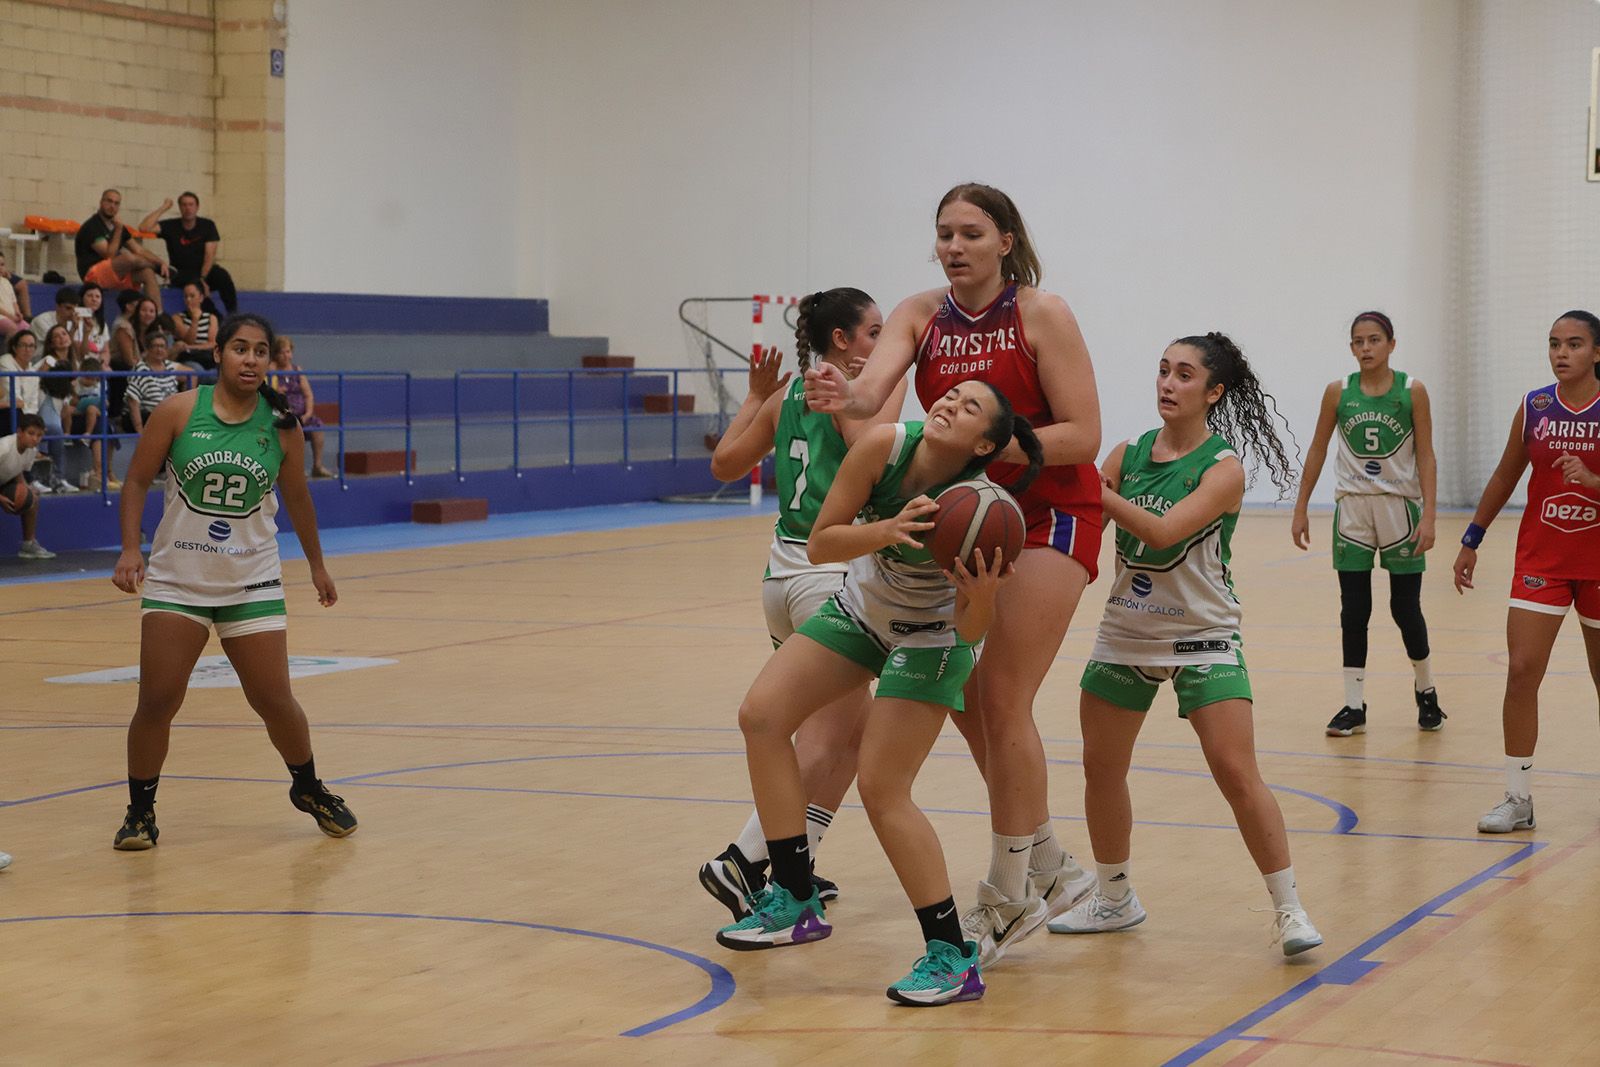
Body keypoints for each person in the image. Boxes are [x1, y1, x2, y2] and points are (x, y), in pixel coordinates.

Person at [805, 182, 1100, 964]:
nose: (954, 245)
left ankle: (1008, 898)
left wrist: (979, 449)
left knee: (1001, 694)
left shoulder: (1043, 313)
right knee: (973, 697)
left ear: (1006, 240)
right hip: (965, 512)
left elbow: (1083, 433)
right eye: (944, 232)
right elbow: (872, 395)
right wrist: (844, 393)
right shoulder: (919, 312)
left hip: (1046, 513)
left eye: (971, 232)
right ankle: (1046, 859)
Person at [718, 378, 1041, 1006]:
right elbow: (821, 543)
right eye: (951, 395)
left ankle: (953, 956)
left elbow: (974, 628)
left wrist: (982, 598)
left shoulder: (988, 514)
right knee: (761, 716)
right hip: (864, 609)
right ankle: (794, 896)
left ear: (984, 443)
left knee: (882, 788)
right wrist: (888, 529)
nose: (949, 403)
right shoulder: (883, 448)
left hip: (935, 639)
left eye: (970, 405)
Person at [1050, 332, 1322, 957]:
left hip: (1202, 633)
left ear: (1214, 391)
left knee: (1234, 769)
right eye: (1163, 371)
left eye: (1184, 375)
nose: (1168, 384)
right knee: (1101, 768)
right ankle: (1114, 897)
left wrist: (1094, 488)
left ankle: (1289, 909)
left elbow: (1167, 534)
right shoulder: (1128, 452)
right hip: (1126, 630)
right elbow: (1087, 519)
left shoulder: (1223, 469)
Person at [109, 313, 355, 849]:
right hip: (179, 580)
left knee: (274, 699)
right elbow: (133, 481)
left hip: (252, 581)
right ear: (219, 353)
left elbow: (297, 499)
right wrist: (131, 548)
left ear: (270, 361)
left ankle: (308, 787)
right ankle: (140, 812)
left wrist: (316, 565)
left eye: (260, 351)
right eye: (240, 348)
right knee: (158, 699)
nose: (250, 359)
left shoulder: (281, 424)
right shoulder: (178, 410)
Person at [699, 289, 900, 917]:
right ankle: (742, 861)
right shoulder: (843, 395)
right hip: (830, 577)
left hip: (780, 580)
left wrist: (757, 397)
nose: (883, 342)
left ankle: (799, 863)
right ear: (840, 341)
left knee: (845, 733)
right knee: (826, 741)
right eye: (874, 332)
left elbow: (725, 464)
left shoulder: (789, 395)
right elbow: (881, 461)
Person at [1453, 310, 1600, 834]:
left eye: (1575, 344)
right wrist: (1472, 537)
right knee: (1521, 671)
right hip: (1542, 559)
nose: (1562, 353)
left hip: (1598, 562)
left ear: (1597, 353)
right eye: (1555, 343)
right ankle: (1518, 798)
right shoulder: (1535, 405)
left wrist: (1593, 480)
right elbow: (1504, 473)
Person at [1292, 311, 1444, 735]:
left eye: (1374, 340)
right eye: (1358, 341)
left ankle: (1426, 691)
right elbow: (1318, 449)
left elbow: (1427, 455)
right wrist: (1301, 506)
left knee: (1405, 609)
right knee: (1354, 610)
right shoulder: (1338, 392)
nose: (1365, 348)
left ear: (1391, 344)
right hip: (1353, 510)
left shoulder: (1412, 391)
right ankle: (1353, 705)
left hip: (1399, 508)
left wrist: (1429, 515)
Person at [0, 331, 70, 493]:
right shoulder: (6, 363)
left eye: (31, 346)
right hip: (7, 414)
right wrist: (28, 420)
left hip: (23, 414)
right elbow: (14, 397)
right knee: (25, 426)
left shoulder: (33, 370)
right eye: (23, 345)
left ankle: (58, 478)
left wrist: (33, 421)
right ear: (14, 347)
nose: (28, 349)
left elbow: (31, 403)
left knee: (46, 428)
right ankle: (30, 478)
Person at [76, 190, 169, 299]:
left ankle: (158, 313)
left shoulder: (118, 226)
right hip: (93, 276)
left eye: (116, 203)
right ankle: (155, 268)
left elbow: (139, 250)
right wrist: (119, 229)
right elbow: (109, 256)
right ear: (101, 202)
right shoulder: (92, 226)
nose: (112, 206)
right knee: (128, 258)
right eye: (109, 201)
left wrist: (161, 262)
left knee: (147, 273)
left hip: (114, 275)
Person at [155, 192, 237, 315]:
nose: (188, 208)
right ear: (180, 207)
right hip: (180, 273)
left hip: (203, 271)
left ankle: (233, 315)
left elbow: (210, 255)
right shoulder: (171, 225)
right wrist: (164, 207)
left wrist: (203, 279)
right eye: (184, 205)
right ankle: (215, 318)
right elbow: (144, 227)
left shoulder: (207, 225)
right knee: (196, 287)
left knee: (223, 276)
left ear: (197, 207)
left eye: (191, 204)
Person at [269, 336, 335, 479]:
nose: (286, 355)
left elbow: (308, 395)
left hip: (302, 415)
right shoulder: (271, 370)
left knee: (317, 425)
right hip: (281, 414)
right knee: (284, 427)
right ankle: (289, 470)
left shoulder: (297, 370)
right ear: (275, 354)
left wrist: (308, 414)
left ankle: (317, 466)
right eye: (282, 352)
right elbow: (267, 392)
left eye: (288, 352)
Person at [0, 414, 56, 559]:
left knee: (32, 499)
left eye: (39, 435)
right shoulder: (4, 447)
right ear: (19, 432)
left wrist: (26, 488)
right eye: (31, 433)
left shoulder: (31, 451)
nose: (35, 439)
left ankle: (28, 544)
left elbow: (17, 470)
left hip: (4, 481)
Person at [123, 332, 187, 435]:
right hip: (147, 416)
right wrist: (140, 431)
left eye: (162, 346)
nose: (159, 350)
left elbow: (192, 375)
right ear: (148, 349)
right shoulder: (141, 370)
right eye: (155, 346)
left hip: (168, 415)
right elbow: (132, 402)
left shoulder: (170, 367)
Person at [71, 356, 116, 491]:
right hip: (79, 418)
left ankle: (103, 472)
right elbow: (73, 404)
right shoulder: (75, 384)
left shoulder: (101, 384)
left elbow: (106, 405)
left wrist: (91, 406)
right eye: (87, 377)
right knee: (100, 424)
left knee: (107, 427)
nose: (89, 380)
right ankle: (101, 473)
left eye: (93, 378)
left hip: (96, 416)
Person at [173, 279, 219, 371]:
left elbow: (213, 343)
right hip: (188, 358)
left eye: (192, 296)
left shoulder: (211, 318)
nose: (188, 300)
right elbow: (189, 340)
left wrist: (192, 347)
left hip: (206, 357)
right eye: (186, 297)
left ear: (201, 298)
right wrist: (195, 320)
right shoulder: (177, 318)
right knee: (197, 370)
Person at [0, 251, 26, 340]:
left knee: (28, 329)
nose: (0, 268)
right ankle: (8, 353)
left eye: (2, 265)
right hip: (2, 316)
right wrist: (10, 317)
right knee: (12, 328)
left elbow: (13, 301)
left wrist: (18, 312)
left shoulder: (6, 282)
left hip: (11, 316)